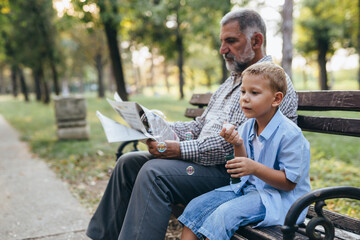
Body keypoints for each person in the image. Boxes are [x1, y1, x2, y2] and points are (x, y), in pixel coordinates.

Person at [86, 8, 298, 240]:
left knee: (154, 173)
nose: (222, 50)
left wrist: (178, 149)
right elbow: (199, 126)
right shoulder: (231, 83)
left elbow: (229, 147)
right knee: (128, 163)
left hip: (236, 175)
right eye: (222, 42)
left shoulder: (270, 85)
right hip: (205, 165)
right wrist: (159, 128)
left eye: (231, 41)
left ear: (256, 41)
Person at [178, 62, 311, 240]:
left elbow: (289, 183)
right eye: (243, 91)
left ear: (276, 99)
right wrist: (238, 144)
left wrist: (254, 168)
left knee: (224, 215)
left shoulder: (290, 134)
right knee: (196, 207)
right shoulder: (248, 127)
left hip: (279, 200)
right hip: (249, 190)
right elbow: (243, 173)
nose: (245, 98)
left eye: (254, 93)